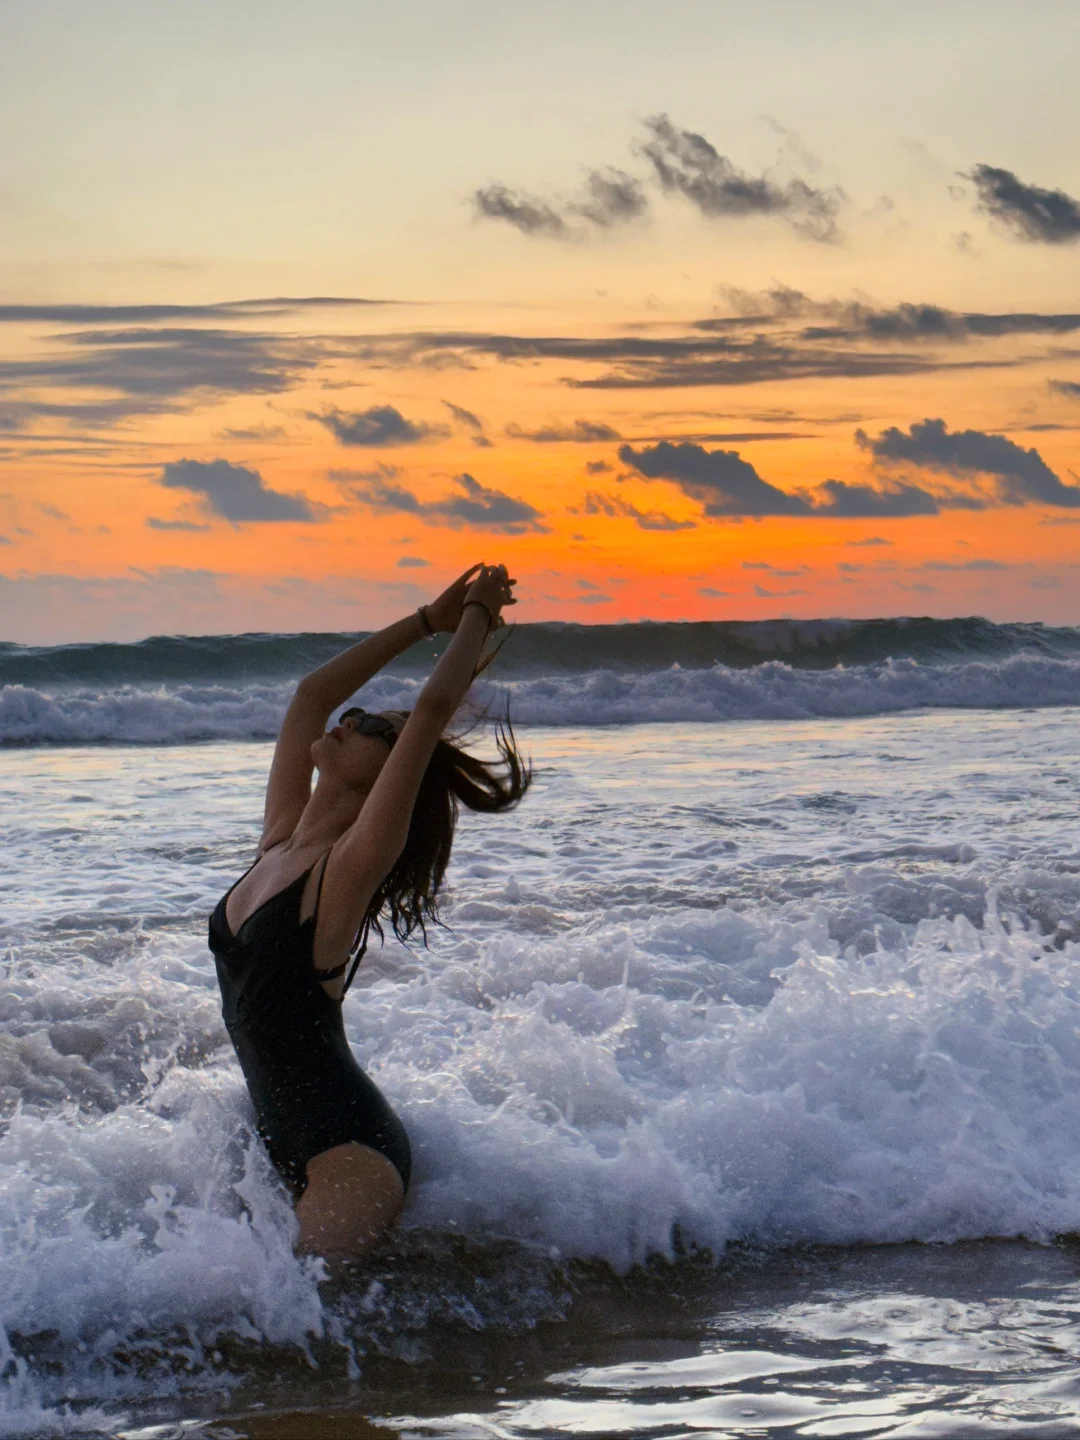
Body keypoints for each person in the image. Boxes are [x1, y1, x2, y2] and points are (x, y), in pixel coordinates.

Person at [208, 563, 530, 1261]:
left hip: (349, 1156)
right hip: (280, 1145)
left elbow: (435, 711)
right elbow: (310, 695)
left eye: (373, 728)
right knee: (270, 1331)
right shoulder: (281, 840)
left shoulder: (347, 872)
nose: (348, 721)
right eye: (357, 718)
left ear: (391, 773)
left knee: (294, 1339)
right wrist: (426, 619)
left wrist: (476, 614)